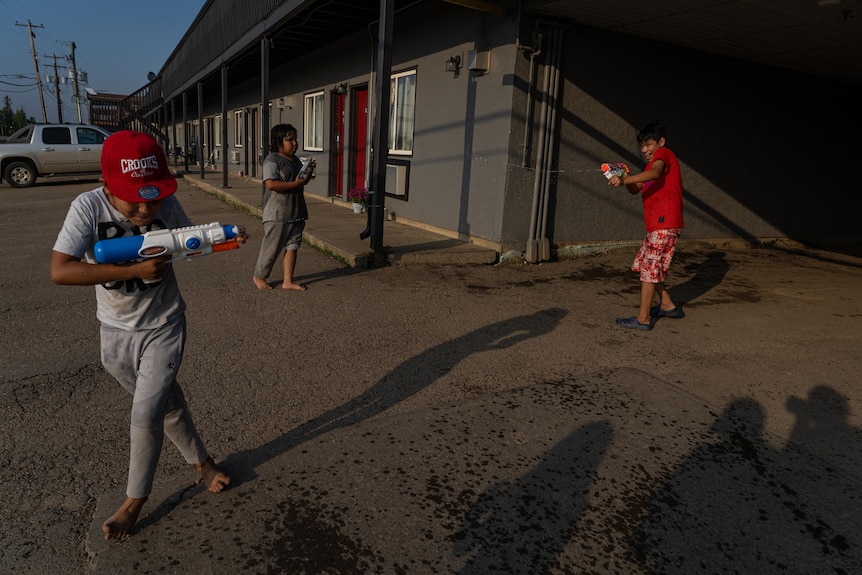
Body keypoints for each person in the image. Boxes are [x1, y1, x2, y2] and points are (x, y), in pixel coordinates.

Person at [50, 130, 247, 540]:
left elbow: (186, 244)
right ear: (107, 185)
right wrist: (131, 271)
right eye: (134, 199)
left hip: (165, 324)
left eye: (153, 198)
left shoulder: (167, 204)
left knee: (145, 413)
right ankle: (202, 464)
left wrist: (223, 240)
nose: (144, 209)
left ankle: (134, 500)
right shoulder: (87, 207)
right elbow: (61, 270)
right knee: (164, 404)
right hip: (115, 331)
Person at [607, 121, 684, 331]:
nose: (644, 150)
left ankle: (643, 319)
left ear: (661, 142)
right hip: (658, 226)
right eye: (641, 146)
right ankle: (668, 305)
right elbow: (635, 188)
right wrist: (623, 177)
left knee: (649, 270)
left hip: (664, 223)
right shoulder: (649, 166)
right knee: (648, 265)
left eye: (648, 144)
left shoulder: (665, 154)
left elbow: (656, 173)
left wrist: (625, 180)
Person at [252, 123, 315, 291]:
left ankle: (288, 281)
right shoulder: (272, 160)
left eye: (295, 139)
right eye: (289, 140)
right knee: (272, 247)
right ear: (278, 141)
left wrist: (307, 173)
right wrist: (295, 183)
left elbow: (300, 183)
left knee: (293, 246)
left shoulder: (295, 160)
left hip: (296, 211)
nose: (294, 143)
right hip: (277, 213)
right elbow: (271, 184)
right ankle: (259, 275)